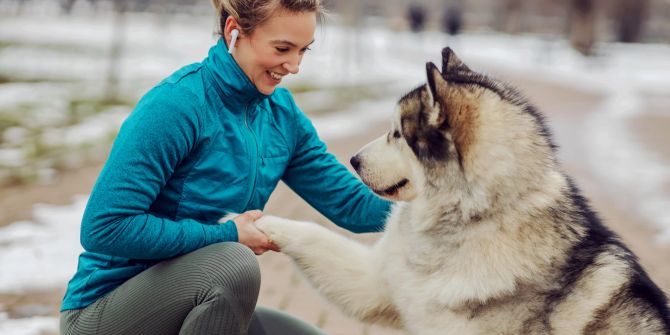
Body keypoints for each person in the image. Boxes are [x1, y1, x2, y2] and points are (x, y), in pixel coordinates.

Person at [59, 0, 392, 334]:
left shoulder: (282, 116)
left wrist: (437, 205)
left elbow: (352, 204)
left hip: (192, 299)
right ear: (234, 31)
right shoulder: (178, 105)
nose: (294, 66)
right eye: (282, 48)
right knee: (234, 265)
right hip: (105, 310)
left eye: (303, 50)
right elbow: (104, 227)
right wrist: (228, 234)